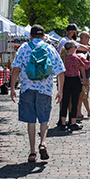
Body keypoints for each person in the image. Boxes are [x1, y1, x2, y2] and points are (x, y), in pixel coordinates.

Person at [9, 25, 65, 163]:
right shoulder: (50, 48)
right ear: (44, 36)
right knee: (44, 118)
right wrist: (60, 90)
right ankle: (43, 142)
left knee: (31, 120)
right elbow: (60, 71)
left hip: (27, 88)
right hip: (45, 89)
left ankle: (32, 152)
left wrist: (12, 88)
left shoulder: (23, 48)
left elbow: (16, 69)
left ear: (31, 35)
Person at [60, 41, 90, 131]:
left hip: (65, 80)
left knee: (65, 102)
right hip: (75, 80)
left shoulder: (63, 57)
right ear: (72, 48)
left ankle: (63, 123)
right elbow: (86, 64)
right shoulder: (76, 57)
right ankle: (73, 123)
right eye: (75, 47)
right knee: (74, 102)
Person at [76, 31, 90, 119]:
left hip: (85, 75)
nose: (89, 39)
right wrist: (84, 77)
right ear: (86, 38)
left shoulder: (82, 48)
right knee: (82, 94)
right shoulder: (81, 49)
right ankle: (79, 113)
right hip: (83, 76)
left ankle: (88, 111)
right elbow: (82, 64)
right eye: (88, 37)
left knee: (84, 94)